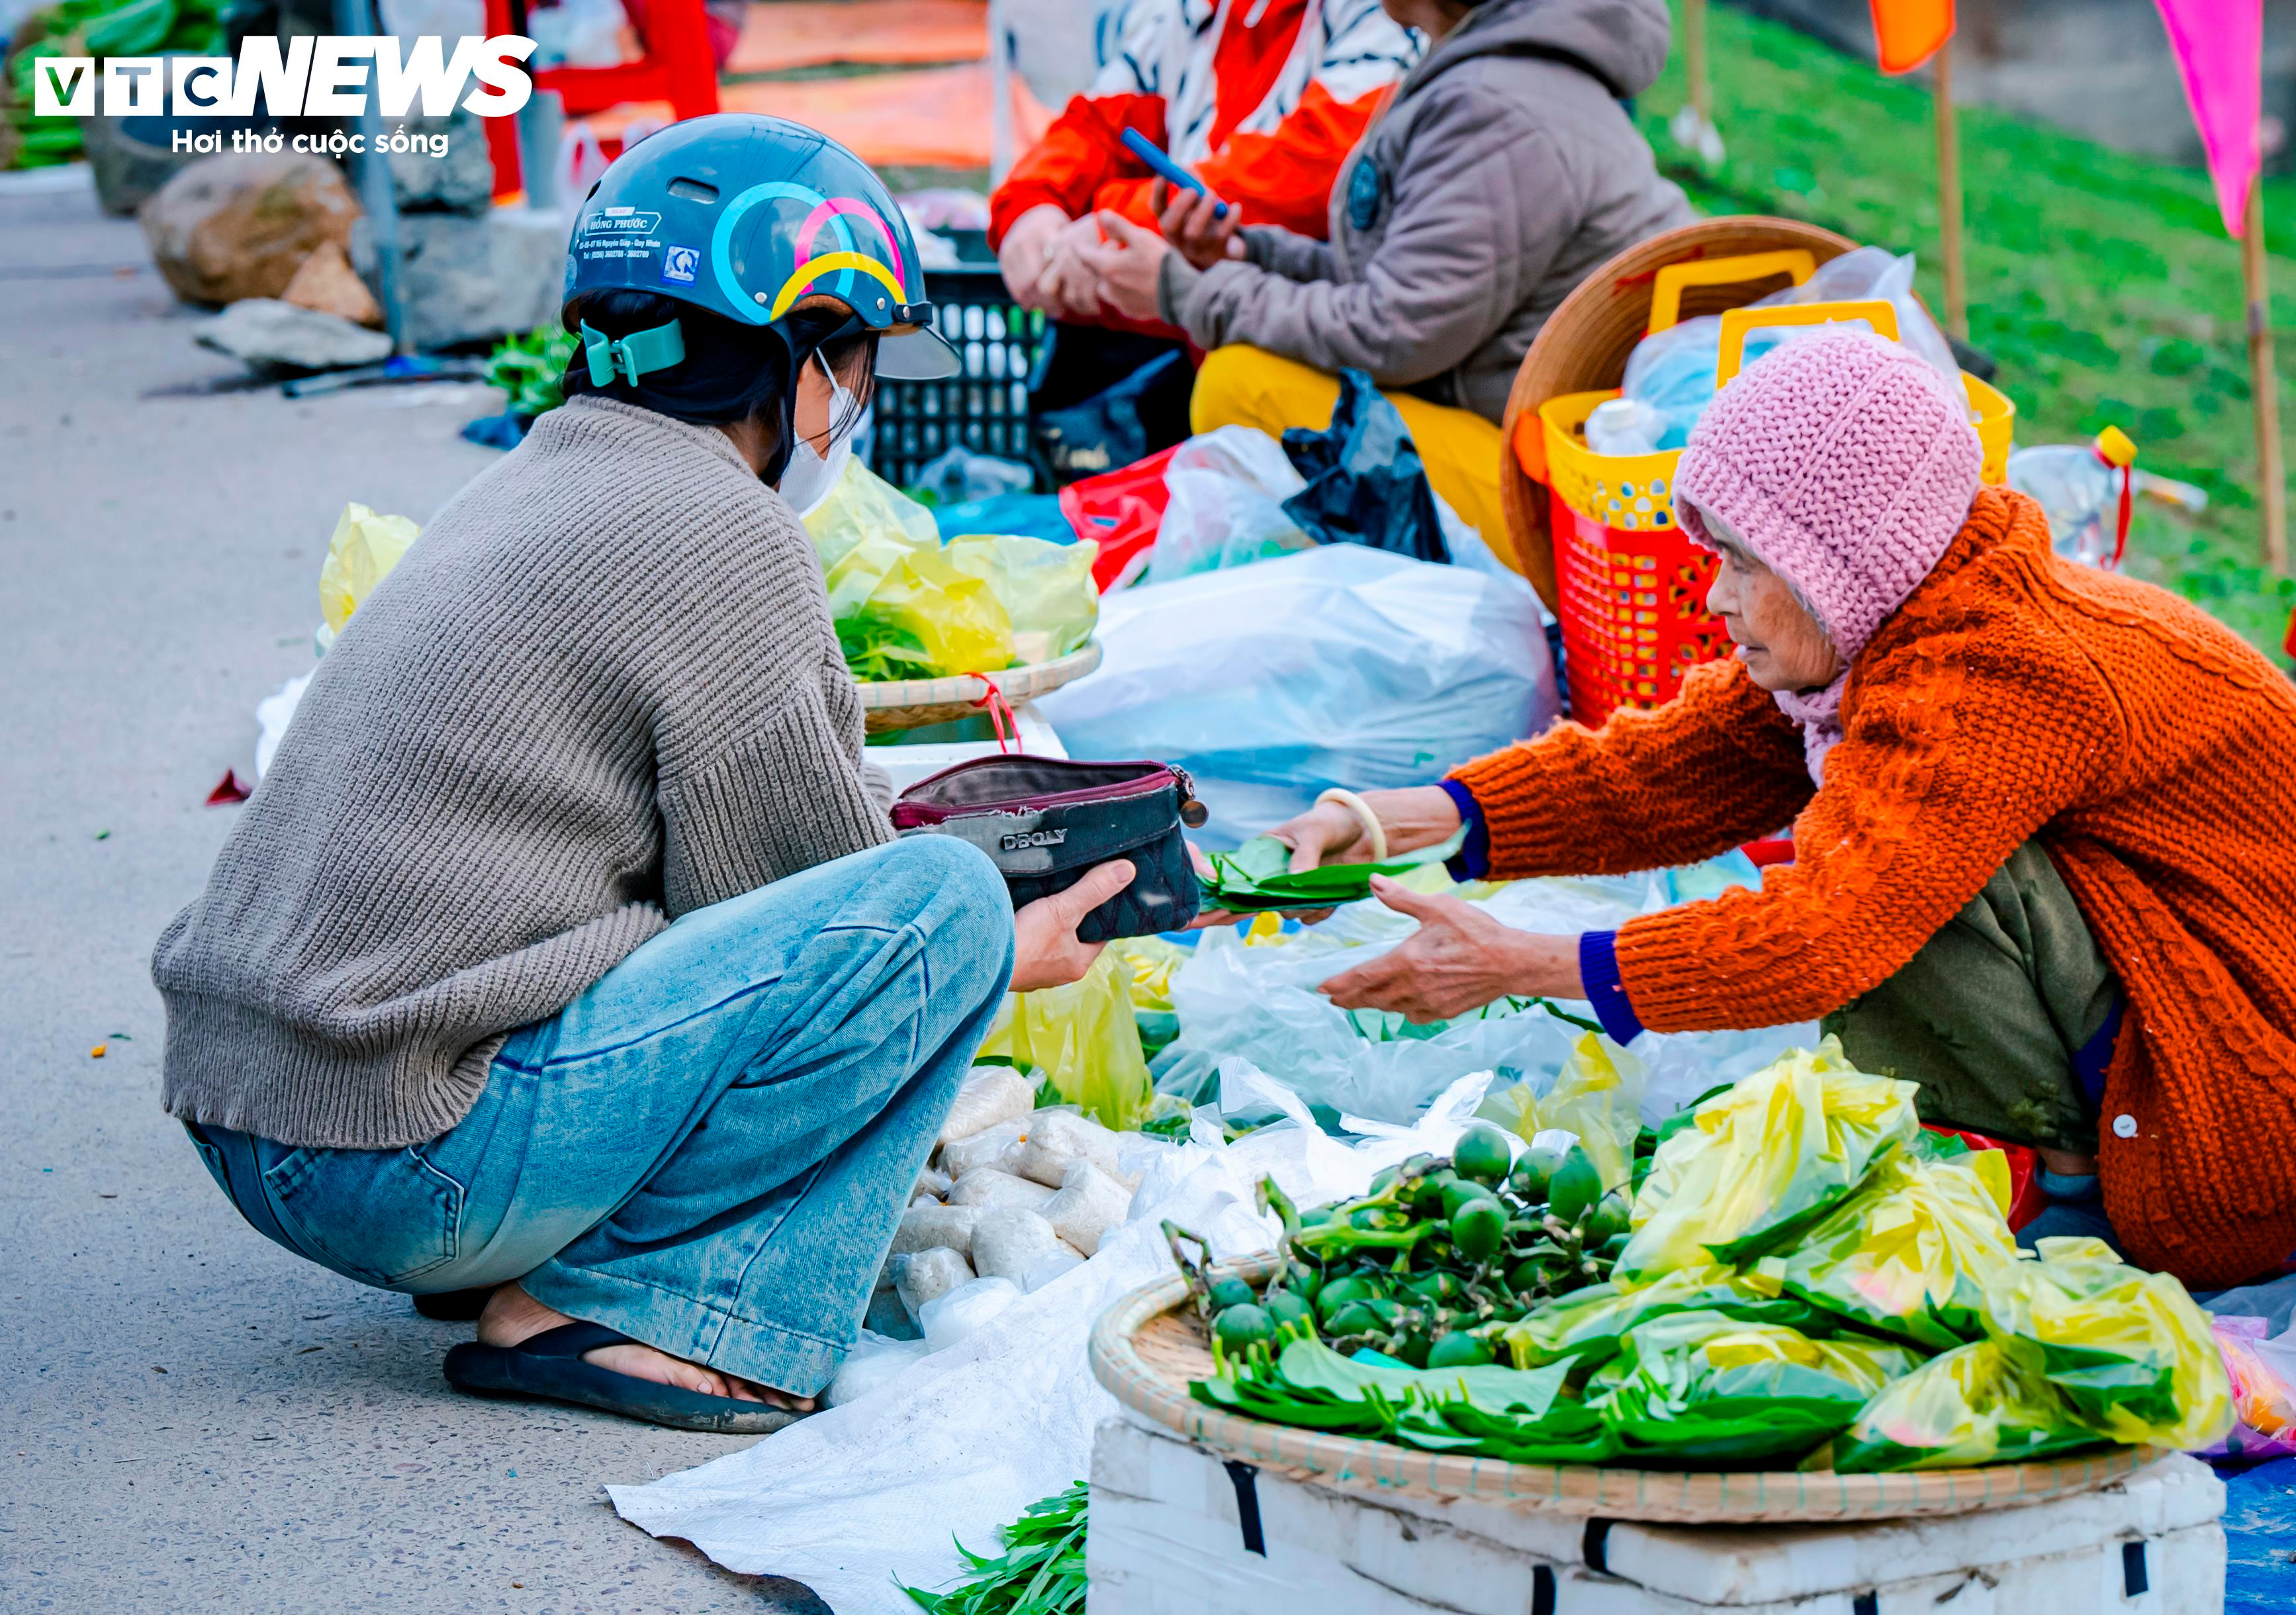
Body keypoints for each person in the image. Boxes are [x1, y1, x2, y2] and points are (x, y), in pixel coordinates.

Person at [152, 115, 1138, 1434]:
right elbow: (830, 901)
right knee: (946, 905)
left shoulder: (534, 477)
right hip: (394, 1160)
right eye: (852, 363)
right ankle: (643, 1308)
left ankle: (538, 1254)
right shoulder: (719, 521)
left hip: (260, 1118)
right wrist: (1004, 951)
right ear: (798, 355)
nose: (854, 404)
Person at [1258, 328, 2296, 1290]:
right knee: (1878, 843)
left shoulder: (1997, 677)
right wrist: (1396, 817)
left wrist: (1516, 961)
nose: (1713, 600)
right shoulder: (1898, 617)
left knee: (1882, 874)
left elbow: (1820, 936)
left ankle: (2069, 1189)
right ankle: (2042, 1148)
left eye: (1740, 565)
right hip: (2201, 1010)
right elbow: (1667, 768)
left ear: (1840, 561)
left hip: (2246, 1114)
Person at [1079, 0, 1694, 569]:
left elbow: (1391, 334)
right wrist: (1245, 253)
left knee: (1241, 385)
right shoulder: (1497, 77)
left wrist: (1181, 294)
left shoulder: (1496, 108)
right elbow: (1396, 284)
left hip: (1566, 514)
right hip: (1543, 464)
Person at [991, 0, 1418, 445]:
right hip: (1229, 360)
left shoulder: (1391, 13)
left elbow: (1309, 170)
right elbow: (1100, 122)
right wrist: (1032, 207)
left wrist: (1103, 231)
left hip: (1348, 396)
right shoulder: (1201, 12)